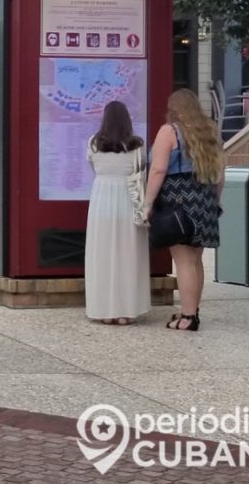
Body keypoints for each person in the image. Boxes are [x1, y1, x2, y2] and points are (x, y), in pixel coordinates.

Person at [145, 89, 225, 332]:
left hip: (178, 200)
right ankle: (192, 310)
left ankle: (188, 317)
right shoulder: (210, 134)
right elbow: (220, 173)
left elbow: (158, 170)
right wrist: (215, 201)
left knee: (183, 260)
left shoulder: (169, 131)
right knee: (195, 261)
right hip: (205, 198)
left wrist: (147, 203)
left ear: (174, 109)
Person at [84, 101, 150, 325]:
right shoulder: (137, 145)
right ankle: (127, 310)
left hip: (102, 199)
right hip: (128, 199)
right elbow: (141, 170)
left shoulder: (94, 143)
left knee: (102, 255)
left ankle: (105, 309)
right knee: (128, 255)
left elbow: (92, 167)